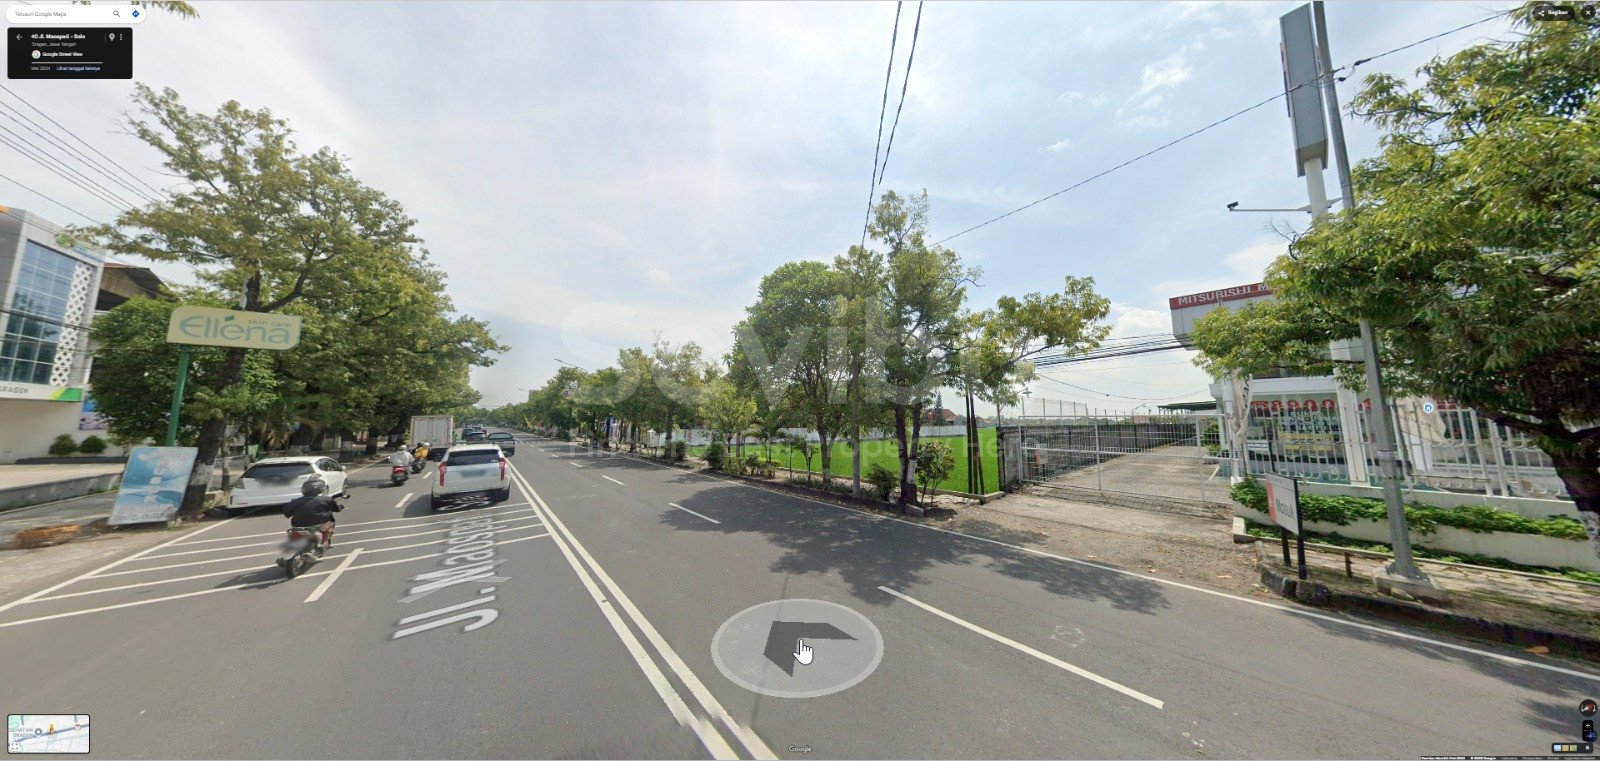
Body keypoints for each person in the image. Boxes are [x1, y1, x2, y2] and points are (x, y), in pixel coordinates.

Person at [282, 478, 344, 548]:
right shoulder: (326, 499)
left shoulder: (294, 502)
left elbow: (287, 514)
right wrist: (340, 508)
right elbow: (336, 509)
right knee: (331, 524)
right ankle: (325, 541)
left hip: (298, 526)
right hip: (319, 526)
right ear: (320, 489)